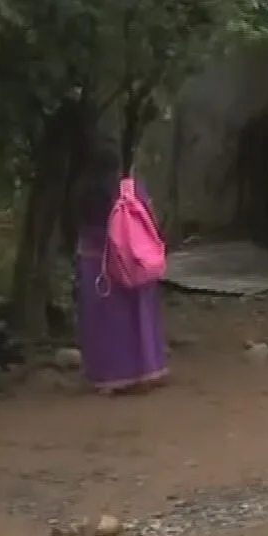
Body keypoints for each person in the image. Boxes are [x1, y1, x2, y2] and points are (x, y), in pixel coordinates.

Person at [72, 143, 168, 396]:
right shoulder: (130, 191)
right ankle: (148, 369)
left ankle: (108, 378)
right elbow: (151, 220)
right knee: (138, 318)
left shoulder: (80, 193)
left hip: (97, 268)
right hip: (133, 261)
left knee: (104, 325)